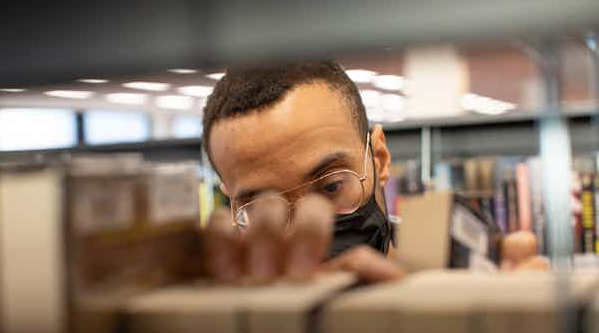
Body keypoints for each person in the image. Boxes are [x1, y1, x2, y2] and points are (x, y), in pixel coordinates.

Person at [201, 60, 548, 283]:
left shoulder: (461, 278)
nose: (311, 228)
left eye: (332, 187)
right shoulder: (238, 326)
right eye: (263, 207)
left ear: (379, 159)